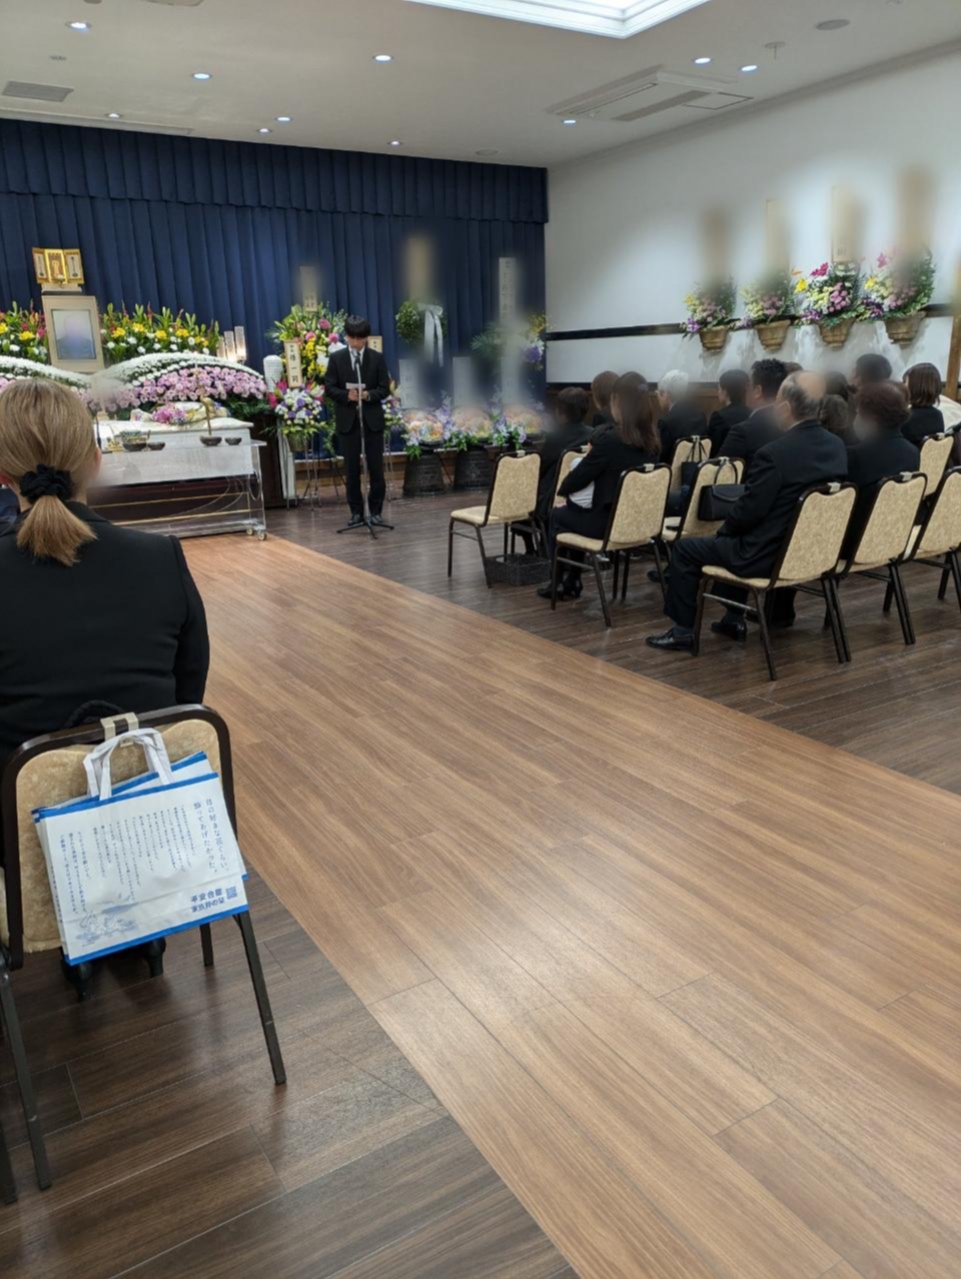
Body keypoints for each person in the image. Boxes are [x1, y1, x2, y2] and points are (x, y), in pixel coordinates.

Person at [0, 380, 209, 865]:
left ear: (3, 475)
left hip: (22, 849)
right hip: (155, 833)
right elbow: (185, 701)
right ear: (95, 461)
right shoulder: (161, 558)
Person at [646, 371, 847, 651]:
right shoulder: (837, 446)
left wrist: (725, 531)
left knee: (686, 548)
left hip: (765, 556)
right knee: (738, 539)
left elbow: (749, 511)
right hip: (808, 551)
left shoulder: (775, 453)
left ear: (785, 408)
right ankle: (732, 618)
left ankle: (683, 632)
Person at [539, 373, 660, 601]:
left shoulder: (611, 440)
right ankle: (571, 580)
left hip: (607, 525)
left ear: (617, 401)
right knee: (574, 512)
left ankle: (561, 582)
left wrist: (563, 490)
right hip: (640, 522)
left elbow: (575, 480)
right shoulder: (653, 439)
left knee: (558, 515)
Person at [324, 315, 392, 526]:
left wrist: (368, 395)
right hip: (348, 421)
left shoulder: (376, 358)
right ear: (346, 337)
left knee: (376, 469)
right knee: (352, 470)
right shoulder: (337, 359)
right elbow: (329, 388)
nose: (355, 343)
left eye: (360, 339)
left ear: (366, 338)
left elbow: (384, 388)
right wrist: (347, 396)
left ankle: (376, 511)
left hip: (372, 421)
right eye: (352, 338)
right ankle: (356, 512)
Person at [844, 380, 919, 554]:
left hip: (854, 543)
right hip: (894, 537)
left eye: (858, 412)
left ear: (871, 418)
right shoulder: (913, 452)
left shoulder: (856, 455)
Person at [721, 358, 787, 479]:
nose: (746, 390)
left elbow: (719, 473)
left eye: (748, 385)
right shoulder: (792, 426)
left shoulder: (742, 432)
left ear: (757, 391)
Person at [657, 370, 707, 460]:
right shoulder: (700, 416)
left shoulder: (666, 422)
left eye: (658, 393)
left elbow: (663, 458)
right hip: (699, 467)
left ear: (664, 394)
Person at [902, 362, 945, 446]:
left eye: (905, 382)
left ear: (916, 386)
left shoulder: (906, 418)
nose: (902, 386)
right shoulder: (938, 415)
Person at [708, 369, 750, 453]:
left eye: (719, 389)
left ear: (725, 391)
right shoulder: (752, 413)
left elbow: (713, 448)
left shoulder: (719, 417)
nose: (718, 392)